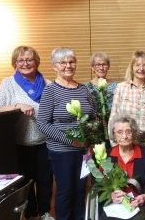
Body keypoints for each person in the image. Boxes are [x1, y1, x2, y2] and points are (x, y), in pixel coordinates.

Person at [0, 46, 54, 220]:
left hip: (45, 142)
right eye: (21, 60)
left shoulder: (48, 84)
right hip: (20, 143)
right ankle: (31, 214)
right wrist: (16, 105)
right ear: (15, 63)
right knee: (26, 183)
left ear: (36, 61)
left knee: (45, 181)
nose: (25, 63)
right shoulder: (8, 83)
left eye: (29, 59)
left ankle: (45, 212)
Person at [37, 47, 95, 220]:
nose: (68, 66)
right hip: (61, 152)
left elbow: (92, 118)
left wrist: (90, 142)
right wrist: (70, 141)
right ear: (54, 66)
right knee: (65, 191)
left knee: (80, 189)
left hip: (83, 152)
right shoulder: (50, 91)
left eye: (71, 62)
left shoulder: (84, 89)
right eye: (63, 63)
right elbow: (42, 124)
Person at [100, 116, 145, 220]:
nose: (124, 136)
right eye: (119, 132)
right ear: (114, 135)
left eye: (128, 132)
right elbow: (101, 185)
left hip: (142, 203)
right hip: (116, 205)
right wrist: (111, 195)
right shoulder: (107, 157)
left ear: (134, 133)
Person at [109, 50, 145, 135]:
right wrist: (114, 143)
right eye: (137, 65)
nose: (141, 69)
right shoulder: (121, 87)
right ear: (132, 67)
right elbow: (113, 118)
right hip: (125, 140)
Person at [86, 52, 118, 146]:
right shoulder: (87, 87)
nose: (101, 67)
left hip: (113, 130)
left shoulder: (116, 86)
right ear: (92, 67)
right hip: (95, 132)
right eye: (97, 65)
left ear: (108, 66)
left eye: (104, 64)